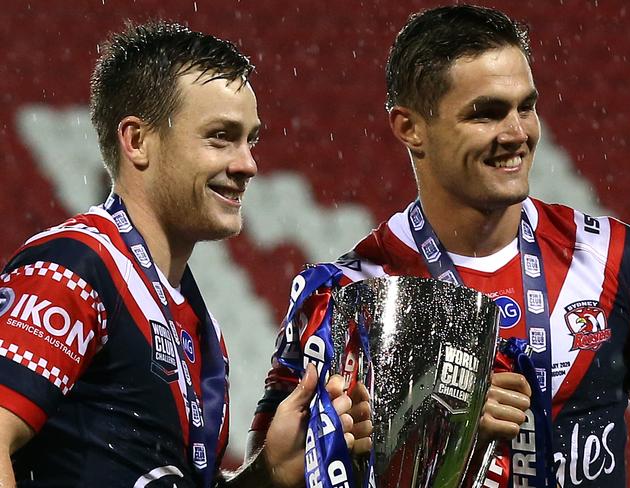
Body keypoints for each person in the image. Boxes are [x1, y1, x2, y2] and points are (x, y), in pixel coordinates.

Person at [248, 5, 630, 488]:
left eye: (526, 106)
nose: (517, 134)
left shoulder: (613, 255)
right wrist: (434, 432)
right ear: (409, 127)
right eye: (486, 113)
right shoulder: (349, 294)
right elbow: (275, 471)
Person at [0, 20, 371, 487]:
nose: (248, 165)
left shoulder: (195, 322)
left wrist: (269, 472)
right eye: (220, 136)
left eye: (250, 139)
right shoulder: (75, 267)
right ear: (137, 141)